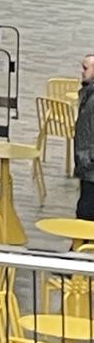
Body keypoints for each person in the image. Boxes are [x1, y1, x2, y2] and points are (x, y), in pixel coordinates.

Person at [78, 55, 94, 223]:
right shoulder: (88, 93)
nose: (82, 72)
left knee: (86, 214)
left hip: (90, 168)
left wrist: (88, 159)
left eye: (85, 68)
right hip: (87, 167)